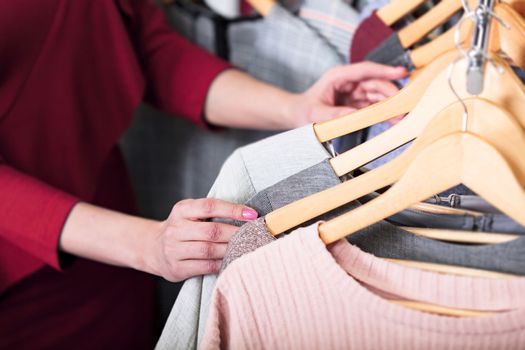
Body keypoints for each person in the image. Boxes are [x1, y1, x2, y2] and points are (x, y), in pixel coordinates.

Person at [0, 0, 406, 348]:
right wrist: (144, 244)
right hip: (26, 272)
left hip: (111, 231)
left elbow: (142, 45)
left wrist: (297, 109)